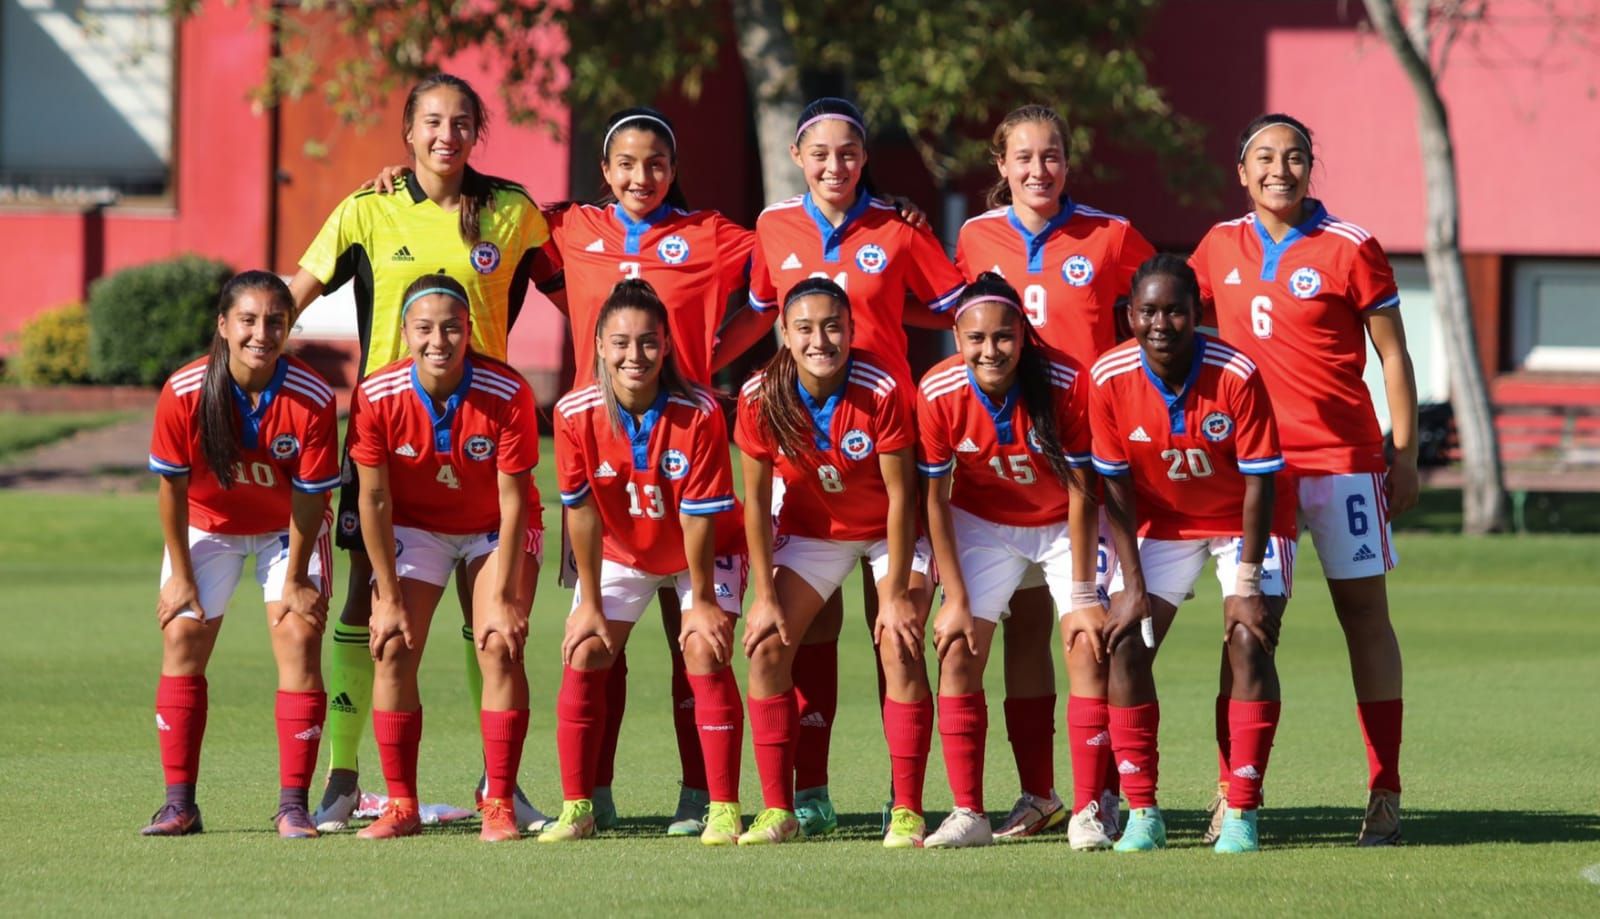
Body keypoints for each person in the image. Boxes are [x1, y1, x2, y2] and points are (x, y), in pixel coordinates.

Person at [290, 73, 551, 830]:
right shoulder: (367, 207)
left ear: (478, 131)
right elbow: (291, 297)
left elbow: (586, 278)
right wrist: (231, 347)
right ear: (407, 131)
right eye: (432, 121)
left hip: (486, 433)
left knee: (492, 620)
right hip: (386, 441)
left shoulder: (510, 211)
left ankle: (497, 783)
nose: (447, 134)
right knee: (370, 612)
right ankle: (345, 775)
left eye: (463, 121)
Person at [718, 96, 967, 835]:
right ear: (798, 157)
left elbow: (952, 306)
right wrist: (699, 369)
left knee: (894, 631)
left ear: (865, 158)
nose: (835, 166)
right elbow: (762, 312)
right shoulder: (772, 225)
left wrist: (887, 314)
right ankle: (794, 798)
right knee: (795, 633)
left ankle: (906, 806)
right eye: (820, 153)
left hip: (888, 435)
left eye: (849, 153)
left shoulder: (896, 226)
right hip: (810, 450)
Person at [1189, 113, 1417, 846]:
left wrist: (1404, 452)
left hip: (1345, 465)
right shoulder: (1218, 245)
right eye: (1264, 156)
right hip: (1257, 474)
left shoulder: (1351, 246)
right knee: (1249, 627)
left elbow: (1393, 355)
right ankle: (1236, 792)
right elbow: (1159, 317)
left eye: (1293, 156)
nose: (1279, 168)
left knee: (1365, 619)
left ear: (1310, 167)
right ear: (1242, 170)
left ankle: (1385, 788)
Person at [952, 104, 1156, 838]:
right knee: (1021, 628)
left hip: (1084, 464)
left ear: (1069, 160)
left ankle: (1097, 796)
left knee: (1088, 633)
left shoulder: (1110, 234)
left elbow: (1170, 308)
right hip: (1002, 474)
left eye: (1053, 155)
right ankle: (1038, 794)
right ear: (999, 165)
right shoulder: (975, 236)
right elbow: (952, 315)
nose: (1039, 169)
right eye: (1024, 157)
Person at [1089, 255, 1293, 853]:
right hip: (1163, 523)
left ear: (1197, 314)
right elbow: (1117, 488)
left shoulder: (1236, 372)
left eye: (1175, 310)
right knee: (1124, 639)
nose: (1161, 323)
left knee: (1249, 640)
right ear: (1129, 315)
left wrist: (1248, 582)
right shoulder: (1109, 377)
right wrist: (1129, 586)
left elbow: (1262, 482)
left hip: (1246, 523)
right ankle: (1144, 812)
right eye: (1148, 311)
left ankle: (1241, 811)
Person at [540, 279, 748, 845]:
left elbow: (700, 518)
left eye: (649, 342)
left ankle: (723, 805)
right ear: (600, 348)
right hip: (621, 551)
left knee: (703, 648)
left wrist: (702, 602)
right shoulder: (573, 413)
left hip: (700, 552)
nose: (636, 356)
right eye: (622, 343)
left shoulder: (699, 412)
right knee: (585, 648)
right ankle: (579, 806)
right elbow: (580, 514)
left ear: (667, 346)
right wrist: (589, 603)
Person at [734, 278, 935, 848]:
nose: (820, 339)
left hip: (888, 530)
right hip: (814, 531)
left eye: (832, 326)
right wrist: (765, 598)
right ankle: (780, 810)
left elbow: (901, 497)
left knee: (900, 642)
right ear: (785, 333)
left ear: (851, 329)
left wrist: (896, 594)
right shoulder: (758, 396)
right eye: (805, 328)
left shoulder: (883, 385)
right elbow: (754, 501)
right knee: (767, 644)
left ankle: (907, 810)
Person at [914, 275, 1111, 849]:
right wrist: (953, 597)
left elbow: (1082, 489)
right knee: (957, 647)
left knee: (1085, 643)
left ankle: (1089, 811)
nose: (990, 350)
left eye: (1003, 337)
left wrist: (1081, 595)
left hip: (1061, 523)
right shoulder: (937, 391)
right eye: (976, 338)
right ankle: (969, 813)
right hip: (982, 526)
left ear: (1023, 337)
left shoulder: (1065, 382)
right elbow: (934, 497)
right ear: (957, 337)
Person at [142, 271, 340, 838]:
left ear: (288, 327)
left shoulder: (312, 396)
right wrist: (180, 575)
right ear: (223, 326)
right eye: (248, 320)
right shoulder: (184, 391)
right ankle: (179, 805)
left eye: (275, 321)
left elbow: (312, 495)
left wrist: (299, 577)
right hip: (210, 526)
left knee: (299, 636)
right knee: (182, 634)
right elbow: (172, 488)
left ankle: (293, 805)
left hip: (287, 532)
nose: (261, 332)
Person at [344, 275, 541, 841]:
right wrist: (384, 594)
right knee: (391, 645)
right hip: (418, 529)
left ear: (470, 331)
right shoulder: (378, 396)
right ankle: (401, 805)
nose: (439, 340)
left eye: (452, 327)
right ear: (404, 332)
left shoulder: (507, 392)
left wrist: (503, 597)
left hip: (492, 528)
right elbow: (375, 499)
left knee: (499, 643)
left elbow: (513, 501)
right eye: (425, 328)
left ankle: (498, 801)